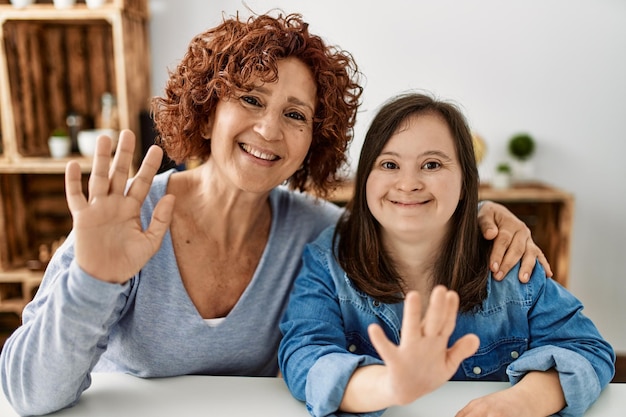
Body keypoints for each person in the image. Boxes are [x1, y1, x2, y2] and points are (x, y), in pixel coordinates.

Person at [2, 13, 547, 416]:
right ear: (208, 106)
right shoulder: (125, 216)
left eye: (295, 114)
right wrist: (93, 280)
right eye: (250, 99)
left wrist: (483, 213)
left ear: (314, 140)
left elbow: (407, 220)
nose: (269, 130)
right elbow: (27, 394)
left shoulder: (319, 233)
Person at [278, 92, 615, 417]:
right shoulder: (328, 257)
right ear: (366, 177)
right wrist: (392, 385)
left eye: (432, 164)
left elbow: (589, 351)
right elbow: (304, 356)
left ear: (466, 182)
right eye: (390, 164)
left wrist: (523, 402)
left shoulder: (507, 259)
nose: (408, 183)